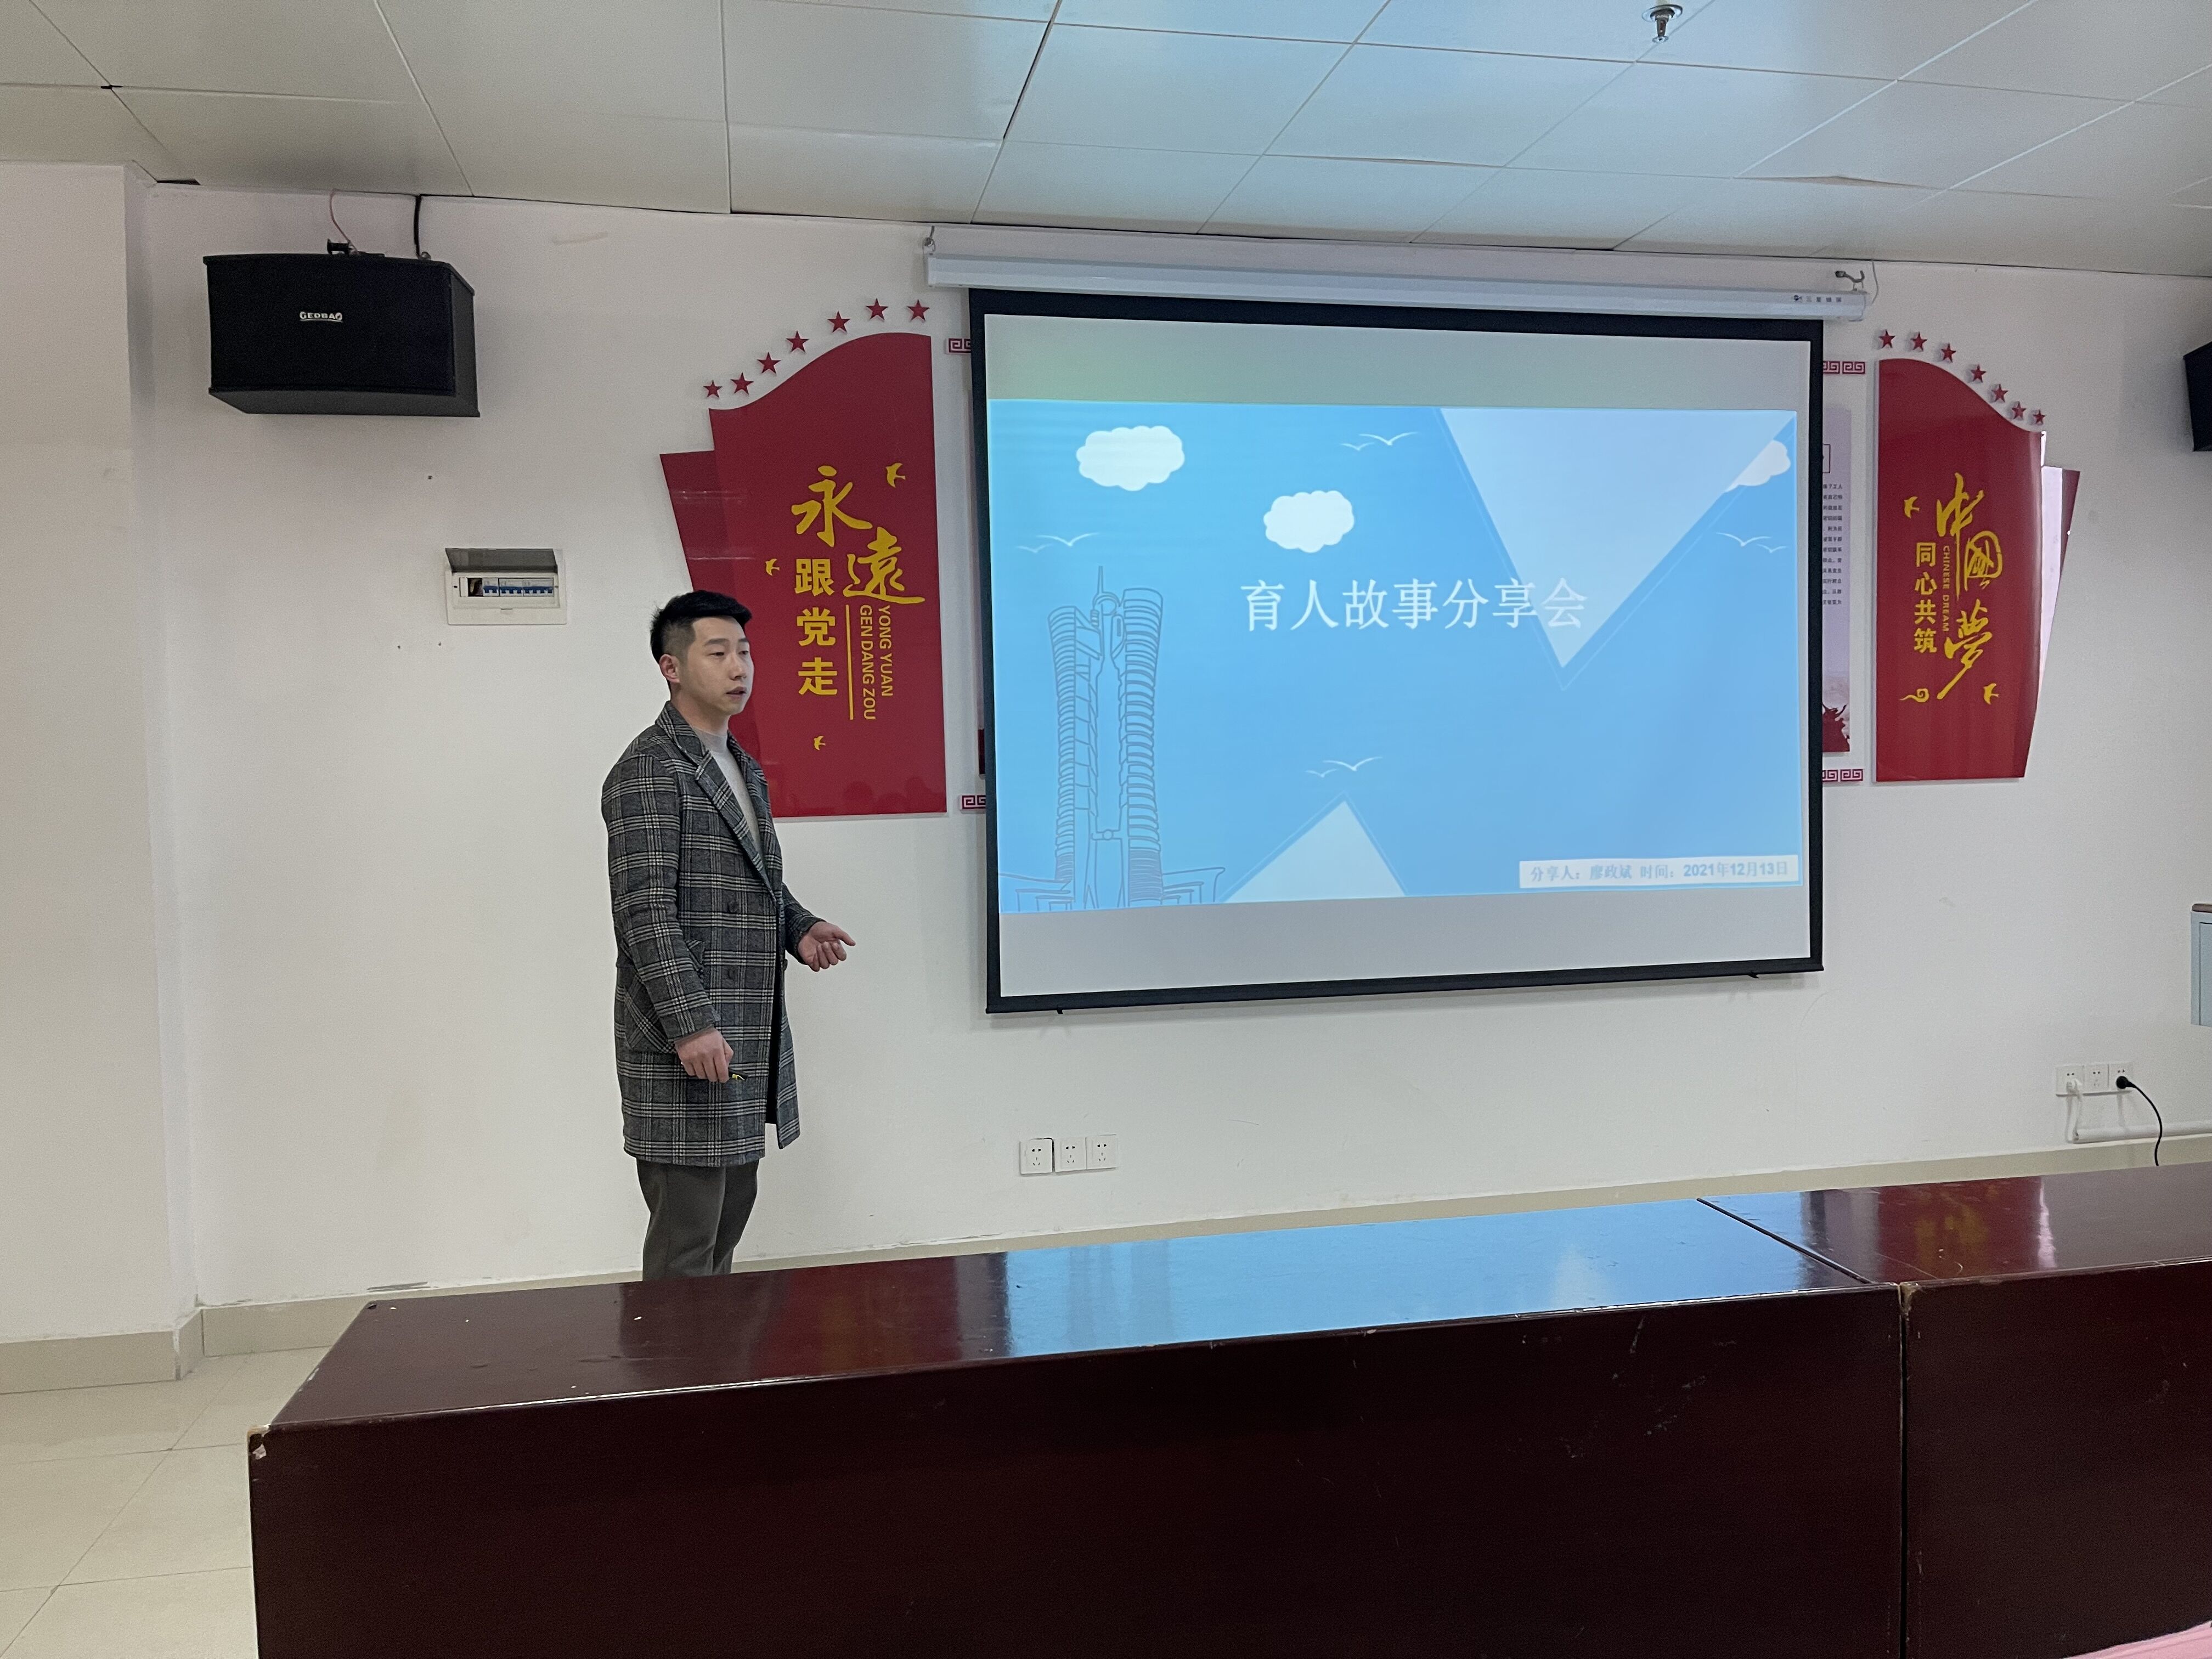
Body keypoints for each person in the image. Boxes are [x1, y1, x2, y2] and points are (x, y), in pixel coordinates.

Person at [602, 590, 856, 1279]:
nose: (739, 667)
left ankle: (709, 1352)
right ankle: (672, 1355)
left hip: (742, 1032)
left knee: (726, 1226)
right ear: (671, 667)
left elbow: (752, 876)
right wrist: (691, 1026)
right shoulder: (649, 769)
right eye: (718, 653)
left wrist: (799, 927)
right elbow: (644, 912)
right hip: (685, 1042)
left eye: (744, 652)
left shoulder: (739, 764)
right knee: (687, 1243)